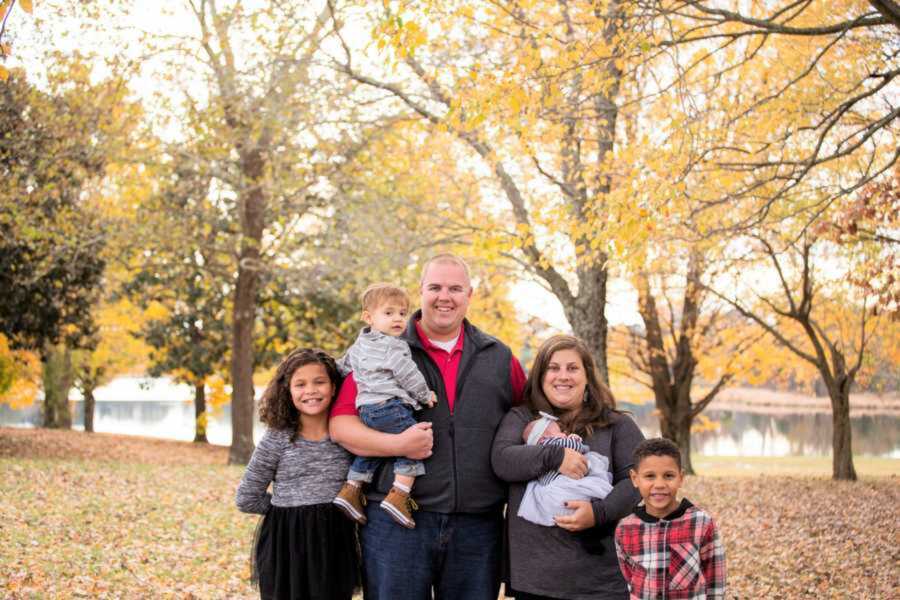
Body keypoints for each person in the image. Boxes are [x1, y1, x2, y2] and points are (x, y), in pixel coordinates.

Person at [329, 253, 527, 600]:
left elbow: (527, 417)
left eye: (455, 288)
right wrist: (399, 446)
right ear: (421, 291)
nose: (444, 297)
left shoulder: (499, 355)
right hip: (396, 523)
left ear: (470, 294)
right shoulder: (381, 346)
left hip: (477, 525)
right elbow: (341, 426)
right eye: (435, 287)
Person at [492, 334, 645, 600]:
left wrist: (598, 512)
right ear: (540, 376)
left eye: (572, 368)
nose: (563, 376)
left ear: (587, 376)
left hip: (599, 582)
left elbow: (637, 479)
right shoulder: (521, 418)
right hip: (534, 579)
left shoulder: (616, 425)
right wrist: (555, 457)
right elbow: (503, 460)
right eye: (553, 368)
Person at [236, 348, 359, 600]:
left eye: (319, 382)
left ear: (334, 387)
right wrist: (287, 511)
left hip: (335, 543)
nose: (310, 391)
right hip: (287, 546)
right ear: (288, 391)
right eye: (300, 384)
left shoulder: (348, 433)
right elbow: (246, 497)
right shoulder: (277, 437)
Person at [332, 283, 437, 529]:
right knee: (414, 441)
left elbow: (343, 366)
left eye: (402, 313)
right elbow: (407, 373)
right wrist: (425, 395)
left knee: (373, 449)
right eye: (388, 313)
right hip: (389, 405)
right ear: (368, 317)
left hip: (366, 410)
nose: (398, 319)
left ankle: (351, 489)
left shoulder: (360, 344)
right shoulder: (394, 346)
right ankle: (399, 494)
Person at [615, 438, 726, 600]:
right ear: (635, 478)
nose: (659, 484)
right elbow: (629, 576)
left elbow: (716, 578)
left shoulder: (701, 522)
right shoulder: (625, 529)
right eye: (650, 476)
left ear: (680, 477)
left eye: (668, 476)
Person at [517, 411, 614, 527]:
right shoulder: (551, 444)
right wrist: (575, 439)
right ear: (544, 437)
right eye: (559, 432)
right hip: (562, 488)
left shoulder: (534, 453)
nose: (564, 434)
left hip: (552, 500)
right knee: (594, 475)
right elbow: (574, 448)